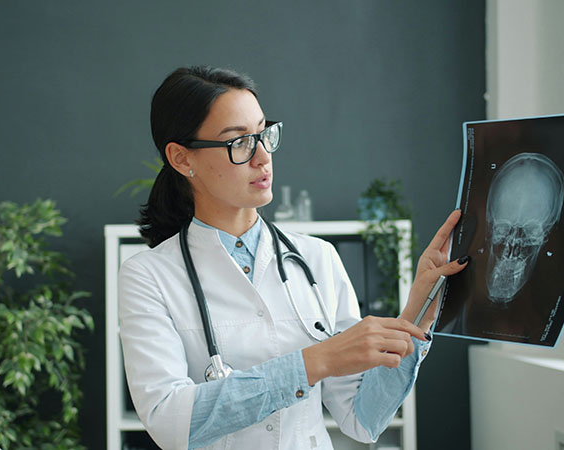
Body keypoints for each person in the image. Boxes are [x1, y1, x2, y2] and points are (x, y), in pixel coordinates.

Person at [118, 66, 469, 450]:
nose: (262, 156)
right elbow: (171, 423)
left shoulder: (318, 258)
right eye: (238, 143)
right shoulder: (147, 276)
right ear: (182, 158)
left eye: (264, 134)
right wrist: (315, 362)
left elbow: (362, 420)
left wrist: (416, 315)